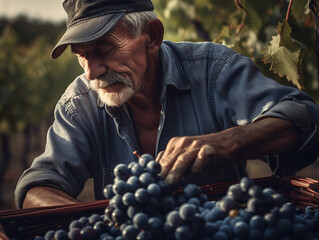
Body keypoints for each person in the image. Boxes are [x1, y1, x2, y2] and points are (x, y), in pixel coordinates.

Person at [14, 0, 319, 209]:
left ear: (151, 36)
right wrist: (96, 223)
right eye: (81, 56)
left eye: (104, 48)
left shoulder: (212, 70)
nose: (92, 71)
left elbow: (304, 117)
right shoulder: (79, 104)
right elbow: (36, 188)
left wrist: (229, 142)